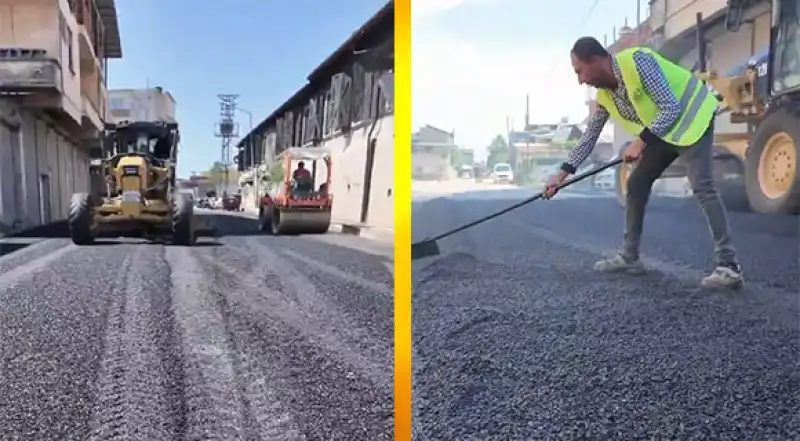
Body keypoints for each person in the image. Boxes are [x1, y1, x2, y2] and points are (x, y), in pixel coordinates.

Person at [544, 36, 743, 289]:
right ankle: (629, 257)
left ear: (595, 60)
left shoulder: (638, 61)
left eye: (580, 71)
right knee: (637, 182)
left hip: (692, 118)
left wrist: (640, 142)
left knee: (702, 186)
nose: (580, 80)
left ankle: (729, 266)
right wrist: (560, 177)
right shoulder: (605, 96)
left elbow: (670, 107)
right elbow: (588, 138)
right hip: (665, 131)